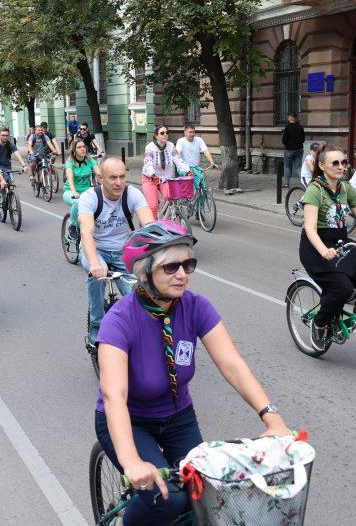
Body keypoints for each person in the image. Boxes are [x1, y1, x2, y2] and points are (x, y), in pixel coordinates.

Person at [96, 220, 294, 525]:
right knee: (167, 497)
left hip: (177, 416)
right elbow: (114, 395)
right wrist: (132, 461)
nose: (182, 274)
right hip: (131, 421)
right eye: (171, 267)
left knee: (207, 491)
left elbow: (233, 365)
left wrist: (272, 416)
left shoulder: (196, 306)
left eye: (189, 264)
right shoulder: (119, 320)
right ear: (145, 272)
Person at [299, 146, 356, 350]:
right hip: (316, 248)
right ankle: (320, 323)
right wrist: (323, 251)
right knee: (341, 288)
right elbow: (310, 228)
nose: (341, 167)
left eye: (343, 162)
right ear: (322, 166)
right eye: (335, 163)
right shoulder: (315, 190)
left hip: (340, 243)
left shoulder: (346, 188)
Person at [77, 158, 154, 345]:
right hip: (96, 251)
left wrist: (157, 254)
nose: (118, 182)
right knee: (96, 277)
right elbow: (86, 233)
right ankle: (96, 323)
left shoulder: (132, 194)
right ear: (100, 178)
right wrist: (94, 264)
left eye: (122, 177)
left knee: (138, 298)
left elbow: (150, 226)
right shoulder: (90, 197)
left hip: (123, 253)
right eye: (112, 177)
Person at [141, 125, 189, 219]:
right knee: (153, 206)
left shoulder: (171, 146)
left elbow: (178, 160)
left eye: (167, 133)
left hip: (165, 179)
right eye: (162, 133)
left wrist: (187, 171)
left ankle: (164, 216)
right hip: (150, 178)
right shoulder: (150, 147)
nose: (165, 135)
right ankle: (152, 226)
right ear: (156, 135)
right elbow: (148, 162)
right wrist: (152, 175)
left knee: (171, 197)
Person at [63, 139, 99, 239]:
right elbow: (70, 179)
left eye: (83, 146)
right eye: (79, 147)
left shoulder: (90, 160)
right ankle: (73, 226)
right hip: (70, 191)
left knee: (99, 204)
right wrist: (74, 192)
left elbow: (98, 173)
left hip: (86, 192)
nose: (82, 149)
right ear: (74, 150)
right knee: (77, 202)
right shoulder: (70, 163)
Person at [175, 124, 217, 191]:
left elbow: (206, 151)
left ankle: (200, 200)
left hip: (196, 167)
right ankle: (185, 198)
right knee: (187, 187)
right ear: (185, 132)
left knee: (203, 185)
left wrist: (212, 162)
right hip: (184, 168)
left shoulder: (199, 140)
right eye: (190, 132)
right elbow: (178, 153)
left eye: (193, 132)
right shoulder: (181, 141)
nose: (192, 134)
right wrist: (178, 159)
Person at [0, 126, 27, 191]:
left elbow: (17, 155)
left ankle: (10, 196)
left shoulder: (10, 144)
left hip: (7, 167)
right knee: (3, 178)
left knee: (11, 182)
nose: (5, 137)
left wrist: (24, 166)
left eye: (7, 135)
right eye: (3, 135)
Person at [281, 112, 305, 188]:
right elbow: (303, 139)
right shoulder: (300, 127)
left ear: (291, 118)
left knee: (287, 166)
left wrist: (287, 143)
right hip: (299, 149)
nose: (288, 118)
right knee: (298, 166)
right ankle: (306, 181)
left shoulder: (287, 127)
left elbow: (284, 140)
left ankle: (286, 184)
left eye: (288, 117)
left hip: (289, 150)